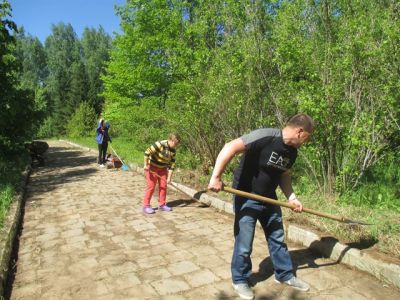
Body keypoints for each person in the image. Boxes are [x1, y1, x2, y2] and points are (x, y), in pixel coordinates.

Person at [208, 113, 314, 300]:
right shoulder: (266, 136)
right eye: (307, 137)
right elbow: (230, 147)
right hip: (246, 196)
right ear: (300, 131)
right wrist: (216, 176)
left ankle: (285, 274)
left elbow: (284, 175)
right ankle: (240, 279)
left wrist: (292, 197)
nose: (306, 142)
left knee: (277, 238)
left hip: (270, 199)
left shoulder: (292, 152)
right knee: (244, 243)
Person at [143, 133, 181, 214]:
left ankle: (162, 205)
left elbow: (172, 165)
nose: (175, 146)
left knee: (163, 186)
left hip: (163, 169)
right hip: (152, 167)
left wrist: (169, 178)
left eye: (177, 144)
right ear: (170, 140)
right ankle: (146, 205)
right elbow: (147, 152)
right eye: (175, 144)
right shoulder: (159, 144)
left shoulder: (173, 150)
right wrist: (145, 165)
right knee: (151, 187)